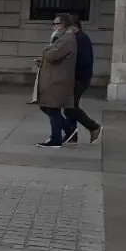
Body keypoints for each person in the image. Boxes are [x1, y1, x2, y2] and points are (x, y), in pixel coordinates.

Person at [34, 13, 79, 149]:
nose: (53, 27)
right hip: (54, 78)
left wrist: (47, 49)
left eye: (55, 24)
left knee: (52, 108)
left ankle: (56, 139)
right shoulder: (62, 38)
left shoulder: (66, 39)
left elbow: (53, 55)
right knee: (46, 106)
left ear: (63, 25)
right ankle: (68, 130)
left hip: (58, 80)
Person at [62, 15, 102, 144]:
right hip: (75, 78)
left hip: (79, 79)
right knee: (70, 106)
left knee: (70, 107)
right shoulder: (75, 38)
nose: (64, 29)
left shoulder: (81, 39)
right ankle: (72, 135)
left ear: (74, 26)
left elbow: (82, 61)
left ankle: (94, 127)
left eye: (66, 26)